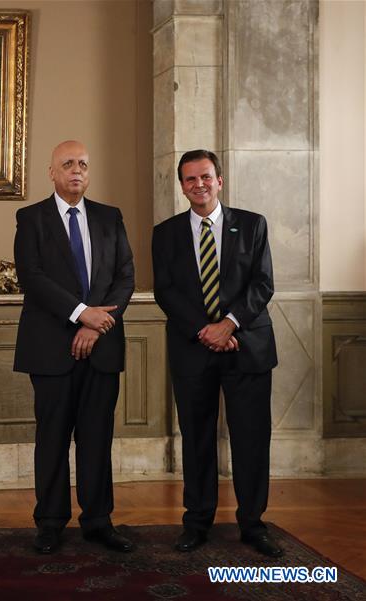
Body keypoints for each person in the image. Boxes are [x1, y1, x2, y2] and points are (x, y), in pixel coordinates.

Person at [152, 149, 282, 558]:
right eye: (190, 179)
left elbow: (262, 284)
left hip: (246, 346)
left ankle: (253, 524)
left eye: (205, 177)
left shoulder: (252, 225)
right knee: (197, 438)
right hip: (194, 350)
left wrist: (229, 324)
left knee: (251, 439)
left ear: (219, 180)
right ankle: (197, 522)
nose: (199, 185)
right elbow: (166, 291)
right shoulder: (166, 233)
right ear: (182, 186)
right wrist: (205, 331)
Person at [13, 140, 136, 555]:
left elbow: (124, 278)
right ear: (51, 172)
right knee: (52, 438)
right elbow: (32, 277)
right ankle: (49, 521)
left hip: (101, 347)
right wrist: (82, 314)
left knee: (97, 437)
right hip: (51, 350)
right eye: (68, 164)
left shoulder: (109, 217)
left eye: (83, 163)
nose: (77, 171)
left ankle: (98, 520)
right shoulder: (31, 218)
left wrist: (97, 325)